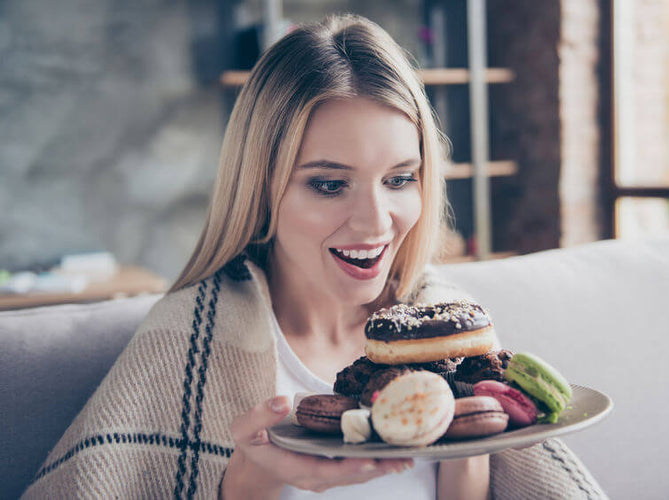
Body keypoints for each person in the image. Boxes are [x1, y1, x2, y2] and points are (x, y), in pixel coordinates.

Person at [24, 14, 606, 499]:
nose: (376, 222)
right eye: (329, 184)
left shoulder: (450, 332)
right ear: (262, 189)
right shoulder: (186, 344)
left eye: (400, 179)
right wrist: (251, 476)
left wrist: (461, 441)